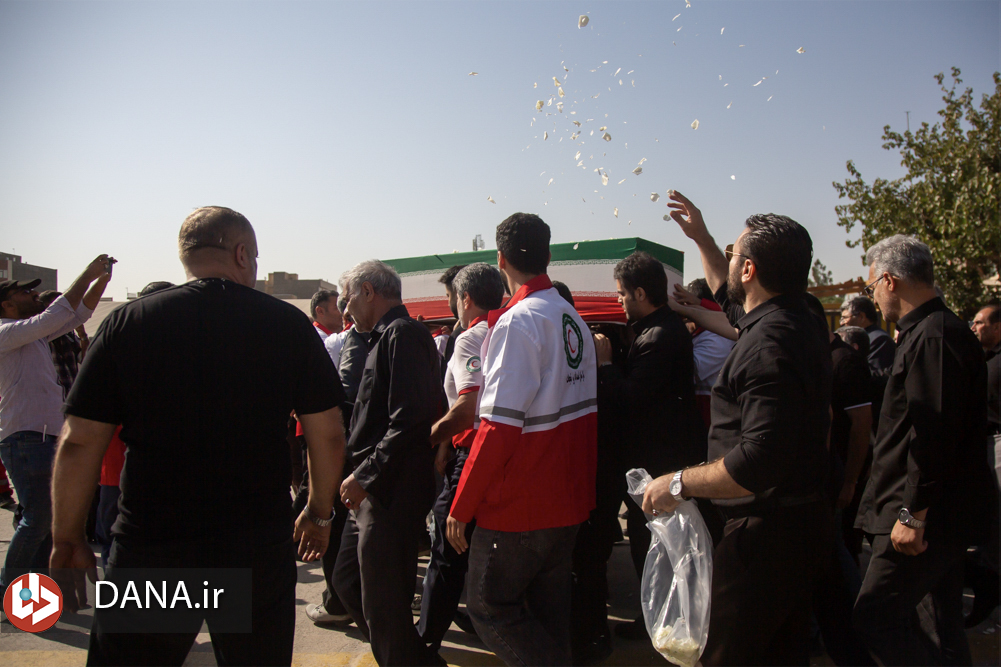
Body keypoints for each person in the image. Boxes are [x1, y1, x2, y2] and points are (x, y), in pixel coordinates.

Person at [49, 207, 346, 666]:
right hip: (252, 545)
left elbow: (79, 441)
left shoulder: (129, 322)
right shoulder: (286, 324)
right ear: (242, 254)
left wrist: (67, 535)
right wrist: (319, 513)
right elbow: (327, 434)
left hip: (154, 545)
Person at [643, 191, 833, 665]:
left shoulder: (768, 344)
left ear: (748, 269)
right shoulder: (800, 316)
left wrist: (678, 482)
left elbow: (756, 462)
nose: (726, 261)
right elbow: (730, 299)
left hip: (766, 536)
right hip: (800, 525)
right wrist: (703, 238)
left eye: (733, 254)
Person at [447, 213, 598, 666]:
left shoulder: (519, 322)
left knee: (488, 607)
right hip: (568, 499)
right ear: (548, 255)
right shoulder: (571, 317)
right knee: (549, 616)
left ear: (501, 260)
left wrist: (462, 505)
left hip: (522, 504)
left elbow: (498, 427)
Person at [852, 235, 997, 665]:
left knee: (875, 619)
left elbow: (934, 435)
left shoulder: (935, 335)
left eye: (871, 287)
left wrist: (912, 515)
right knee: (938, 626)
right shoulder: (931, 332)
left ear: (890, 281)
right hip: (931, 515)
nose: (873, 298)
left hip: (923, 517)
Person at [331, 260, 444, 666]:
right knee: (347, 581)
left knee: (383, 603)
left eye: (347, 300)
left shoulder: (401, 334)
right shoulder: (384, 337)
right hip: (373, 489)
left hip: (389, 489)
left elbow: (410, 419)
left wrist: (365, 475)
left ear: (367, 291)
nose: (346, 311)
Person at [593, 251, 708, 642]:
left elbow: (634, 398)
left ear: (640, 293)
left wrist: (606, 365)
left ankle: (665, 621)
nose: (619, 301)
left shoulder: (658, 336)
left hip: (661, 457)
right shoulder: (658, 329)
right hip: (662, 453)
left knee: (659, 543)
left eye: (622, 293)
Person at [0, 257, 111, 594]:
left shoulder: (30, 335)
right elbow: (55, 314)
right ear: (6, 305)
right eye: (24, 293)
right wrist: (88, 274)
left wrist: (101, 282)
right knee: (38, 517)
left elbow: (77, 315)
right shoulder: (6, 332)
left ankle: (33, 586)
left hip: (44, 435)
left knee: (47, 518)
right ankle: (8, 588)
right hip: (25, 437)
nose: (34, 296)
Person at [417, 262, 504, 658]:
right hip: (502, 451)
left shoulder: (470, 338)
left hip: (472, 454)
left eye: (453, 297)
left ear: (465, 299)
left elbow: (467, 410)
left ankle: (425, 640)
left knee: (446, 551)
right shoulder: (508, 330)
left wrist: (425, 439)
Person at [93, 281, 175, 569]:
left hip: (144, 465)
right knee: (117, 536)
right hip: (122, 462)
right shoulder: (119, 342)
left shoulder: (116, 338)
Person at [38, 290, 88, 397]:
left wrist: (83, 336)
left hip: (70, 395)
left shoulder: (68, 335)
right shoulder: (37, 336)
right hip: (48, 397)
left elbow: (83, 360)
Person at [840, 294, 895, 376]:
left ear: (861, 317)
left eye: (845, 318)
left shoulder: (879, 340)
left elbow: (874, 374)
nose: (842, 323)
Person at [439, 264, 467, 363]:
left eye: (448, 296)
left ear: (457, 294)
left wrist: (455, 337)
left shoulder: (461, 335)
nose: (448, 303)